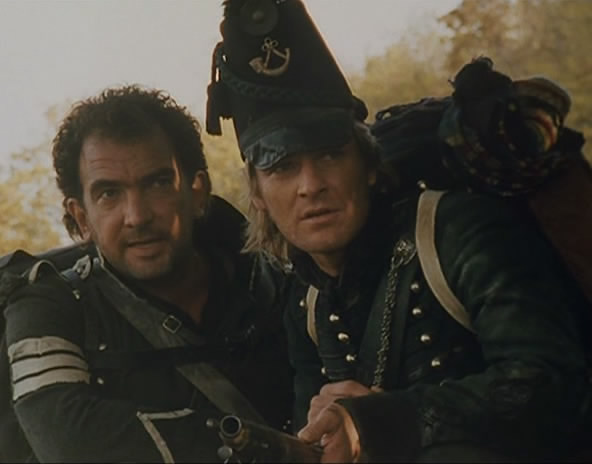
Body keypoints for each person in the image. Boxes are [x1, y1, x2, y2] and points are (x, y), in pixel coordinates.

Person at [205, 0, 591, 461]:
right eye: (282, 167)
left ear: (368, 165)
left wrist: (382, 420)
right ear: (259, 195)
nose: (311, 185)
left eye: (330, 154)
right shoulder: (305, 299)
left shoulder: (457, 231)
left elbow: (556, 384)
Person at [0, 85, 294, 462]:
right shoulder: (47, 308)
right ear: (81, 217)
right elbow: (69, 439)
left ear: (197, 191)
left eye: (158, 183)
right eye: (109, 194)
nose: (137, 216)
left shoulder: (275, 282)